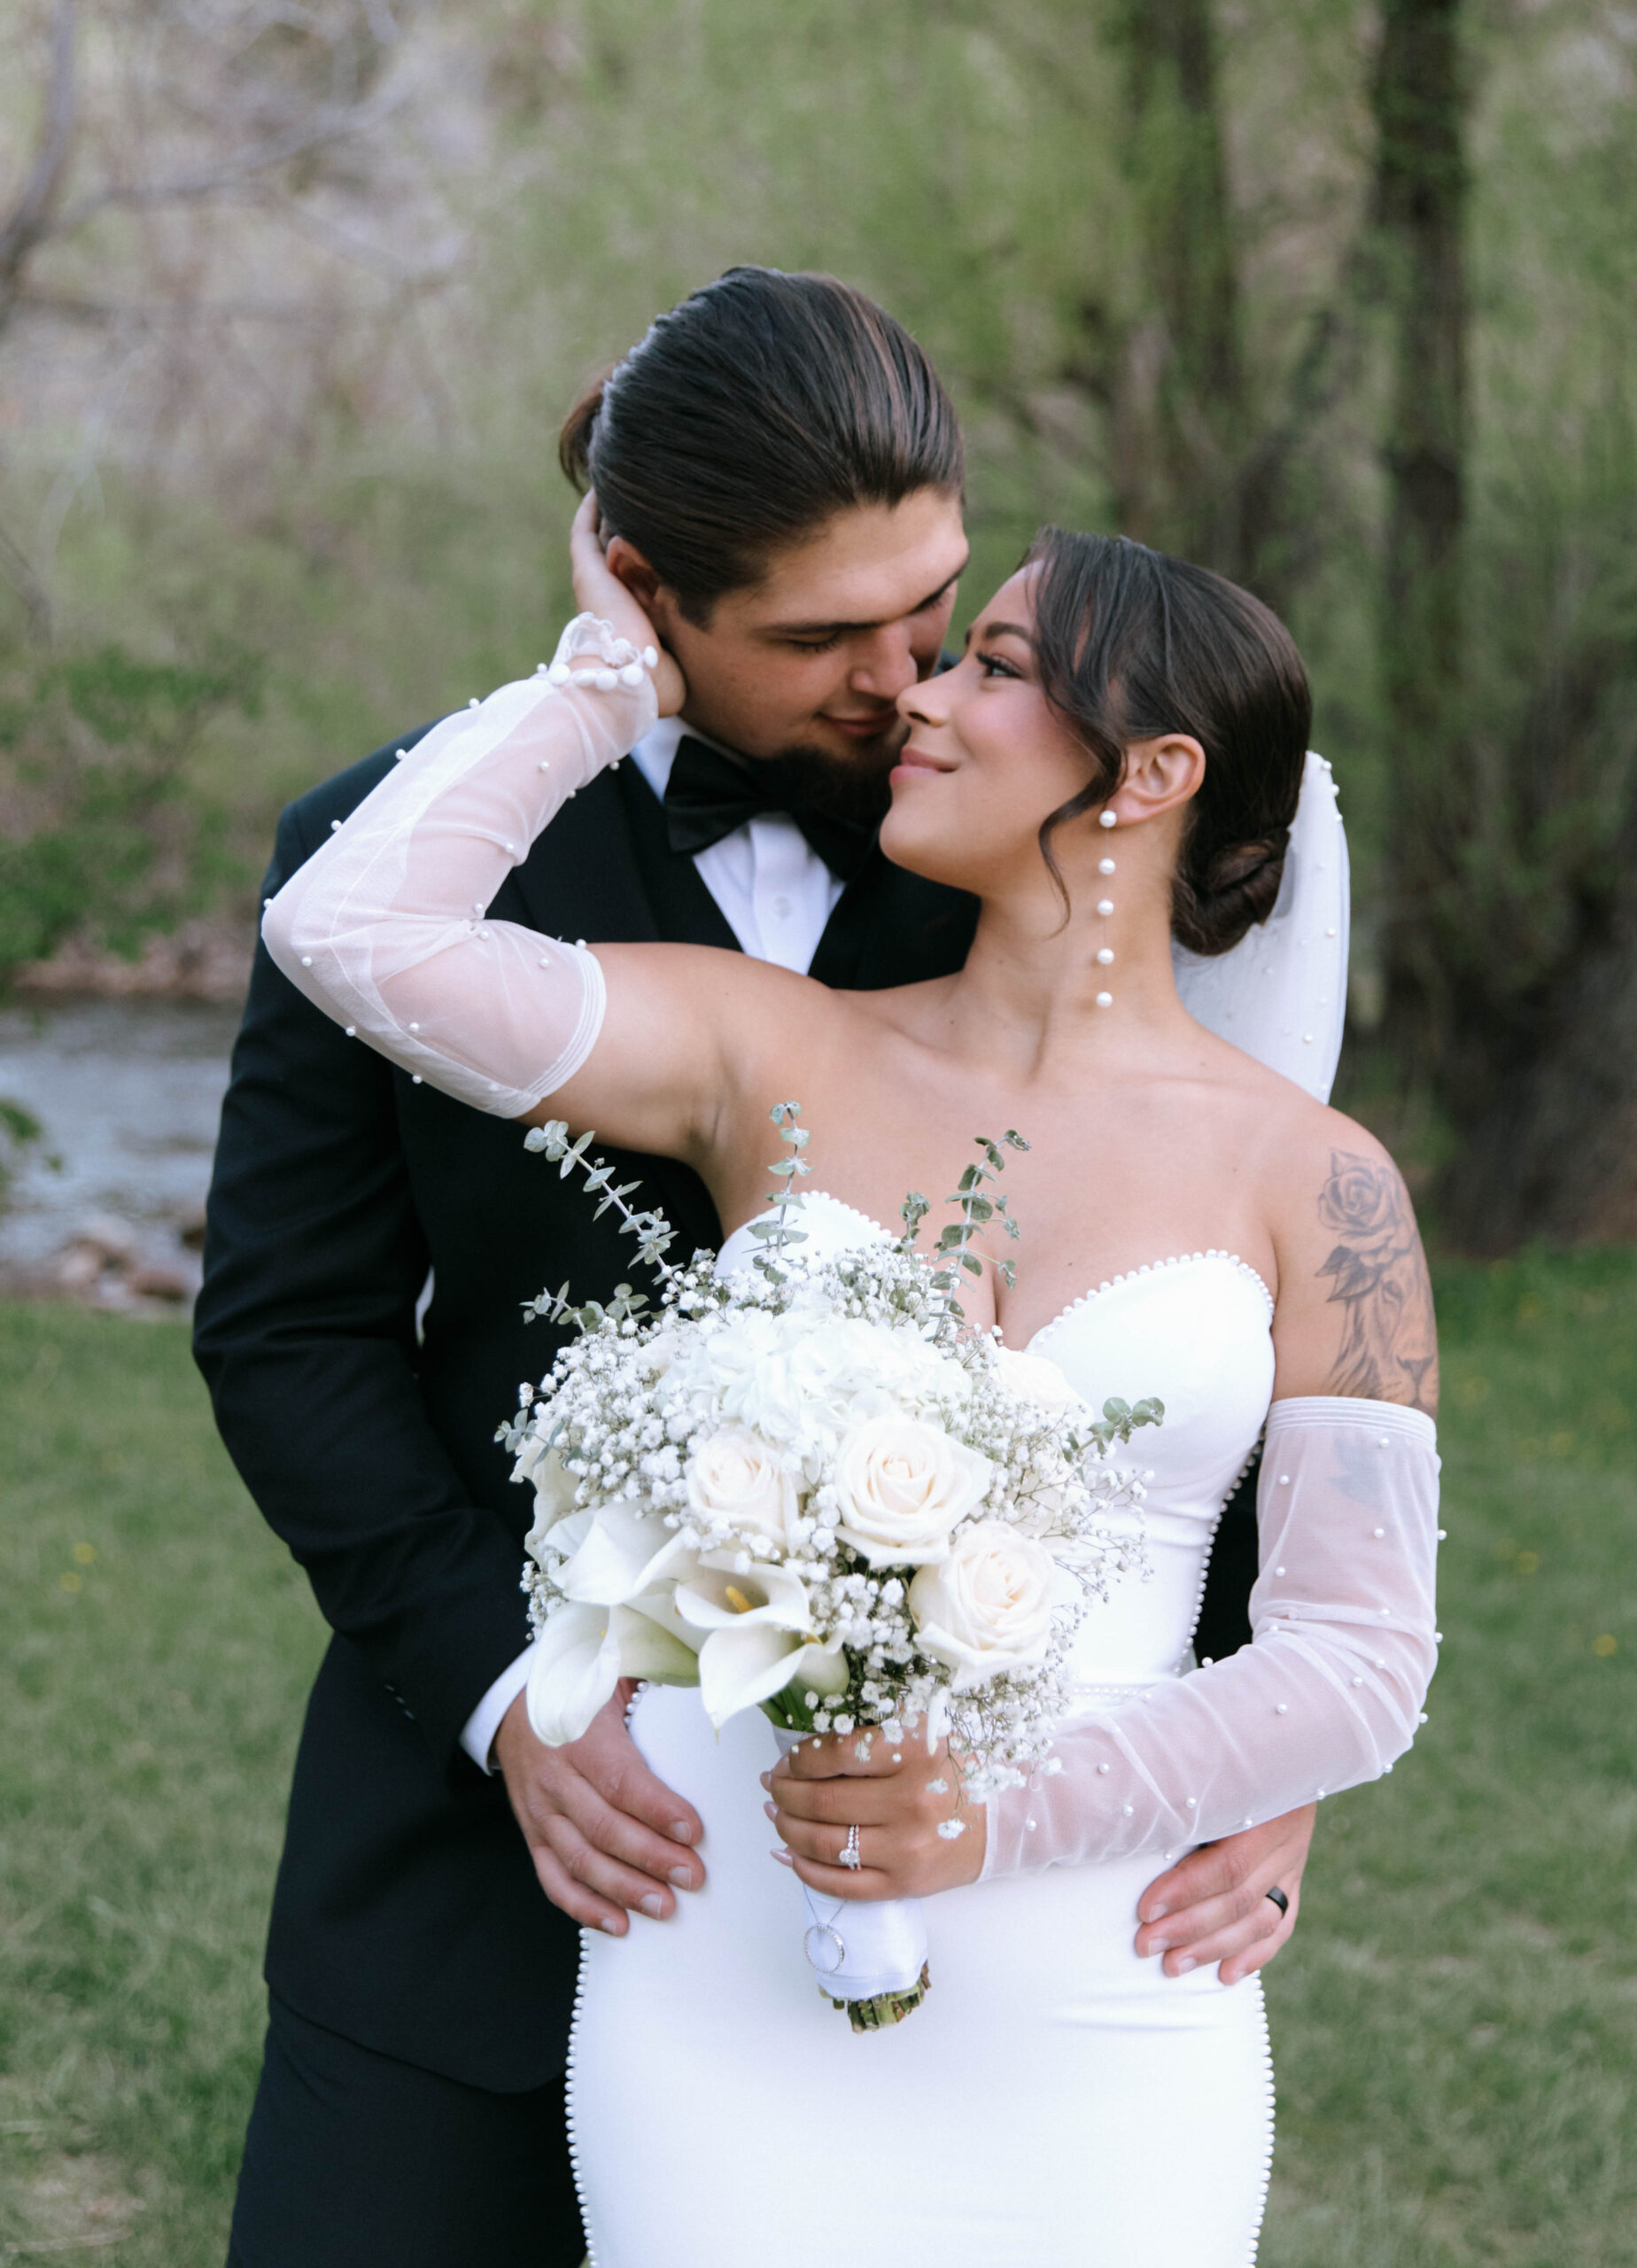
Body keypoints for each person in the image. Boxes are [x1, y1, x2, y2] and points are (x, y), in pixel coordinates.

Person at [200, 268, 1323, 2268]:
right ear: (642, 589)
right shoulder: (383, 855)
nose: (906, 680)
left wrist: (1265, 1740)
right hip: (470, 1866)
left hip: (962, 1888)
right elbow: (293, 1332)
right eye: (826, 636)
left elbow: (1223, 1314)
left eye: (937, 607)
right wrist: (500, 1701)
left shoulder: (1032, 840)